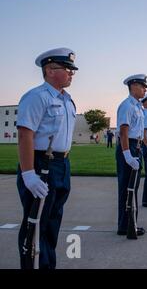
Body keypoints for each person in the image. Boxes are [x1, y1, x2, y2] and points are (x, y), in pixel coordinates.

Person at [16, 47, 78, 268]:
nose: (72, 73)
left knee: (52, 222)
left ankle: (47, 265)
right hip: (41, 164)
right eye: (67, 69)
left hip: (62, 164)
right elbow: (25, 135)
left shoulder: (67, 100)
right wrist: (28, 174)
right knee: (36, 222)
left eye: (72, 70)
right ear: (50, 70)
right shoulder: (36, 97)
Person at [115, 74, 147, 237]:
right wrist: (127, 155)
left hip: (136, 147)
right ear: (133, 86)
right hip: (128, 148)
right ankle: (125, 225)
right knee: (126, 188)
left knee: (133, 188)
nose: (144, 90)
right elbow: (124, 131)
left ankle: (130, 223)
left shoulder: (138, 107)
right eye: (142, 86)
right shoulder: (127, 106)